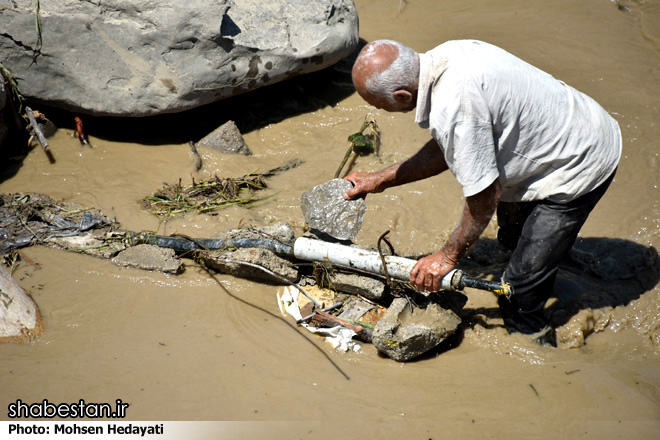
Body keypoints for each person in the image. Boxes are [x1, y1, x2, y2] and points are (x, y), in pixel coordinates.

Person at [343, 39, 621, 342]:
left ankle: (537, 343)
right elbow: (444, 149)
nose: (376, 110)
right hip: (569, 127)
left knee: (517, 291)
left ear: (402, 95)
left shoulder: (455, 107)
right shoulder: (447, 55)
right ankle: (548, 260)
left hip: (581, 162)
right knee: (513, 238)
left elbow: (484, 198)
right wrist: (380, 179)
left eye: (376, 104)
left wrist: (447, 257)